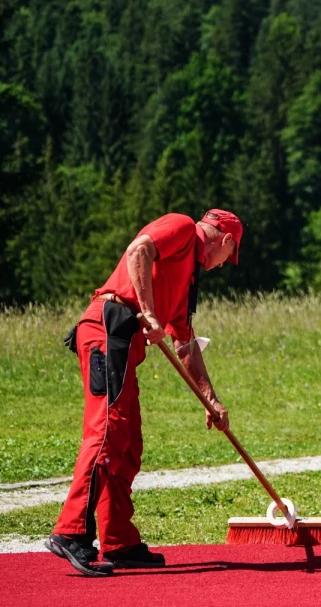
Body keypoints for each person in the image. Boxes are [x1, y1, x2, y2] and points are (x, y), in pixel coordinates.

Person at [45, 209, 243, 577]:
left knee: (128, 442)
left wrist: (211, 399)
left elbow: (185, 343)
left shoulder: (187, 280)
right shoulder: (182, 227)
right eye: (227, 258)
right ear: (227, 240)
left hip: (123, 342)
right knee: (108, 430)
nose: (221, 266)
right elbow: (138, 250)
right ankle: (70, 532)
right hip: (109, 328)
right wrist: (149, 313)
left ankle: (118, 541)